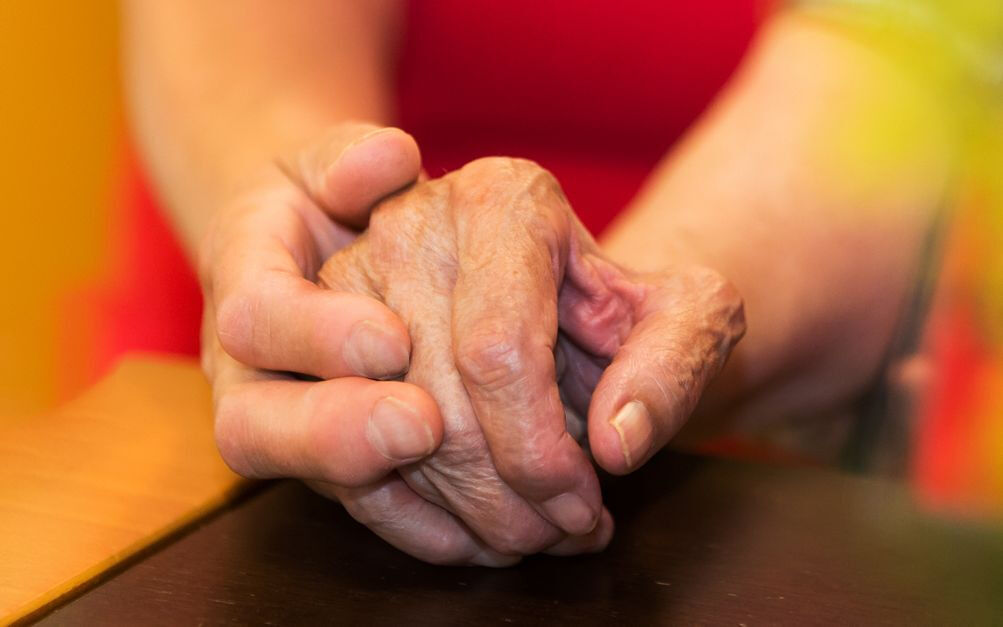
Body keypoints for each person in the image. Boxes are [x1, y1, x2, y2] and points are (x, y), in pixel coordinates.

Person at [121, 1, 964, 564]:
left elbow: (900, 68)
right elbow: (247, 54)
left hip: (755, 484)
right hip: (231, 453)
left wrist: (593, 324)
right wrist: (317, 237)